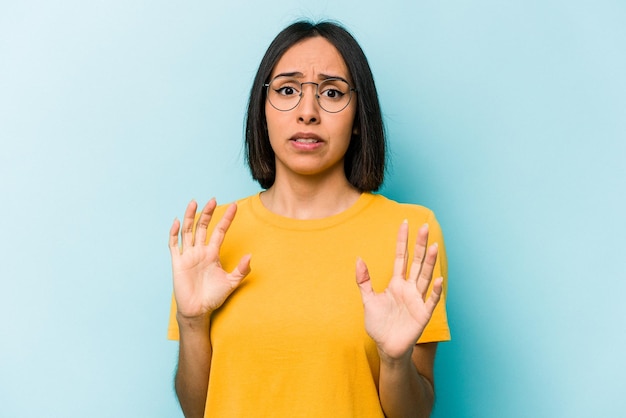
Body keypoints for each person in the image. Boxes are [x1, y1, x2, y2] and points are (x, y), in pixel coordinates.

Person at [167, 20, 450, 418]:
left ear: (358, 117)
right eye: (287, 90)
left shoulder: (410, 234)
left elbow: (415, 414)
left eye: (332, 92)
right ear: (261, 110)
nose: (307, 112)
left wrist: (393, 361)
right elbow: (199, 410)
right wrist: (191, 322)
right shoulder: (214, 237)